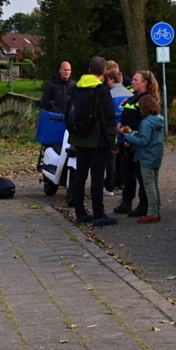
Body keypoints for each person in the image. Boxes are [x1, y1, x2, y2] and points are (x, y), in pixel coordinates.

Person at [66, 56, 118, 226]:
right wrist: (113, 144)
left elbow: (69, 114)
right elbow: (108, 120)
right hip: (97, 141)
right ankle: (99, 215)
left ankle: (80, 213)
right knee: (97, 178)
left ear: (89, 71)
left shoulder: (76, 88)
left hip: (79, 140)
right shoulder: (102, 91)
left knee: (80, 176)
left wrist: (73, 137)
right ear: (104, 72)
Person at [114, 70, 160, 218]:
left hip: (137, 141)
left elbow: (145, 121)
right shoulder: (135, 97)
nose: (132, 82)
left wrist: (127, 129)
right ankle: (126, 202)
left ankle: (144, 205)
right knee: (127, 173)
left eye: (136, 80)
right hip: (128, 140)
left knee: (142, 176)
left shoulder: (147, 99)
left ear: (145, 83)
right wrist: (121, 122)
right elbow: (127, 113)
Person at [121, 94, 164, 223]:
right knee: (155, 184)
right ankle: (156, 209)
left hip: (146, 156)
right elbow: (150, 137)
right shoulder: (158, 119)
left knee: (148, 185)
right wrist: (137, 133)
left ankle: (151, 213)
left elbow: (144, 141)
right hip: (155, 156)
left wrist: (128, 135)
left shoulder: (145, 122)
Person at [104, 69, 132, 195]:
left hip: (113, 131)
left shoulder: (109, 95)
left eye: (108, 80)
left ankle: (110, 185)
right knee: (124, 158)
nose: (107, 83)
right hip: (126, 131)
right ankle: (123, 183)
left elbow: (107, 115)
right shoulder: (130, 95)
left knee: (111, 159)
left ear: (112, 80)